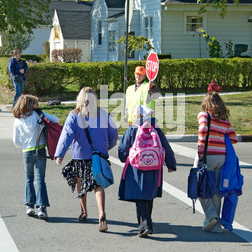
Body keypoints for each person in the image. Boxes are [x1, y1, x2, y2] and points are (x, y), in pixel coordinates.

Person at [55, 87, 118, 232]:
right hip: (99, 155)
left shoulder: (74, 115)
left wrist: (60, 154)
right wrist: (107, 146)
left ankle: (84, 212)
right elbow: (113, 133)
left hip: (80, 155)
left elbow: (66, 136)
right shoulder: (102, 114)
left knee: (80, 182)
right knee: (98, 184)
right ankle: (102, 213)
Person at [118, 105, 176, 238]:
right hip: (154, 167)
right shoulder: (156, 129)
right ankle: (147, 221)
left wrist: (123, 158)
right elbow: (165, 147)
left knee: (140, 196)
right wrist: (170, 164)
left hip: (136, 167)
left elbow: (123, 147)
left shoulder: (133, 129)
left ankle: (145, 225)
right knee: (149, 195)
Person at [197, 88, 238, 232]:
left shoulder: (203, 115)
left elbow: (202, 131)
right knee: (216, 191)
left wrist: (201, 150)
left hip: (208, 156)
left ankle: (211, 215)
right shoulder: (224, 120)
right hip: (222, 157)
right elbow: (234, 138)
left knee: (201, 188)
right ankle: (216, 225)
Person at [13, 94, 60, 220]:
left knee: (28, 178)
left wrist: (24, 145)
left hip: (26, 152)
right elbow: (55, 119)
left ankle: (29, 206)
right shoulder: (38, 115)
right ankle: (42, 208)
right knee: (40, 180)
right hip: (39, 150)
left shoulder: (18, 119)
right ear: (32, 105)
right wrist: (40, 113)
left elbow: (16, 141)